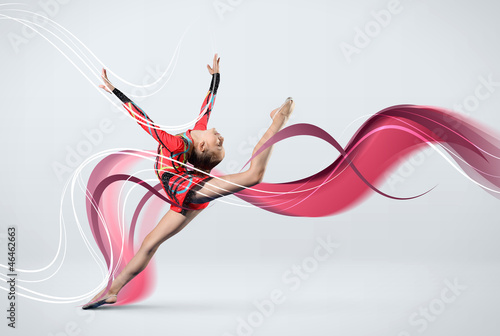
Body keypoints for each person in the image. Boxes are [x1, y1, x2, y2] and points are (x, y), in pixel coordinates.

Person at [82, 54, 294, 309]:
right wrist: (216, 78)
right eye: (222, 143)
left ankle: (278, 122)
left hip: (187, 190)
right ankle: (113, 291)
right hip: (184, 195)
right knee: (149, 244)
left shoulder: (178, 143)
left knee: (253, 176)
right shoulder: (199, 131)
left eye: (219, 144)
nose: (221, 137)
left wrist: (115, 90)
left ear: (202, 145)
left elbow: (143, 120)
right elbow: (208, 105)